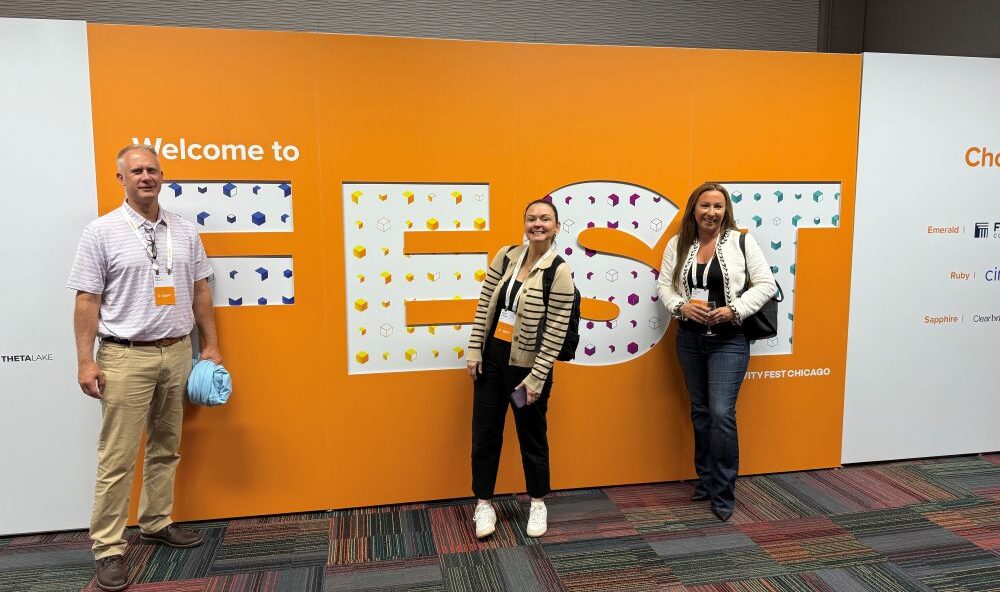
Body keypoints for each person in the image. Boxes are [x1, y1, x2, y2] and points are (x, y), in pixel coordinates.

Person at [68, 144, 222, 591]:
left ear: (162, 176)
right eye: (136, 171)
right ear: (121, 179)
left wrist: (211, 344)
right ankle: (108, 548)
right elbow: (87, 299)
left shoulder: (185, 230)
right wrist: (85, 360)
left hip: (177, 352)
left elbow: (201, 290)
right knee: (117, 457)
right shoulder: (101, 232)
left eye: (152, 169)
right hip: (125, 356)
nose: (145, 177)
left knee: (166, 446)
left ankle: (156, 522)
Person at [656, 182, 776, 521]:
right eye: (705, 205)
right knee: (700, 411)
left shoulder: (741, 241)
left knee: (721, 413)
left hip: (729, 338)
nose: (711, 212)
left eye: (718, 206)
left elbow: (766, 284)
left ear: (726, 211)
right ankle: (706, 480)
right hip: (690, 337)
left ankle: (723, 492)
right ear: (694, 209)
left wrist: (734, 309)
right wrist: (680, 306)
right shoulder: (678, 244)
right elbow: (664, 285)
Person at [465, 199, 575, 539]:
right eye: (531, 218)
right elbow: (485, 304)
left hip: (527, 369)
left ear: (556, 227)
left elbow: (556, 329)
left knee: (531, 437)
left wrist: (537, 377)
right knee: (485, 435)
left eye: (545, 219)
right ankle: (484, 502)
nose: (537, 224)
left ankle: (537, 502)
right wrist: (474, 348)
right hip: (491, 361)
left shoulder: (559, 270)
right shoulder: (506, 256)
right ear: (524, 224)